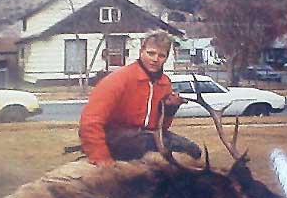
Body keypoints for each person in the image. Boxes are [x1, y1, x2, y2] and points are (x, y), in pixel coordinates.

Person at [79, 30, 202, 167]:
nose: (155, 59)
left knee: (193, 151)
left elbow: (160, 128)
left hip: (145, 137)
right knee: (150, 142)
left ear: (167, 58)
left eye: (161, 55)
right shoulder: (119, 80)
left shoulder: (164, 83)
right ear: (141, 51)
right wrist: (101, 158)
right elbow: (90, 123)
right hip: (116, 137)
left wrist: (169, 110)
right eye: (151, 53)